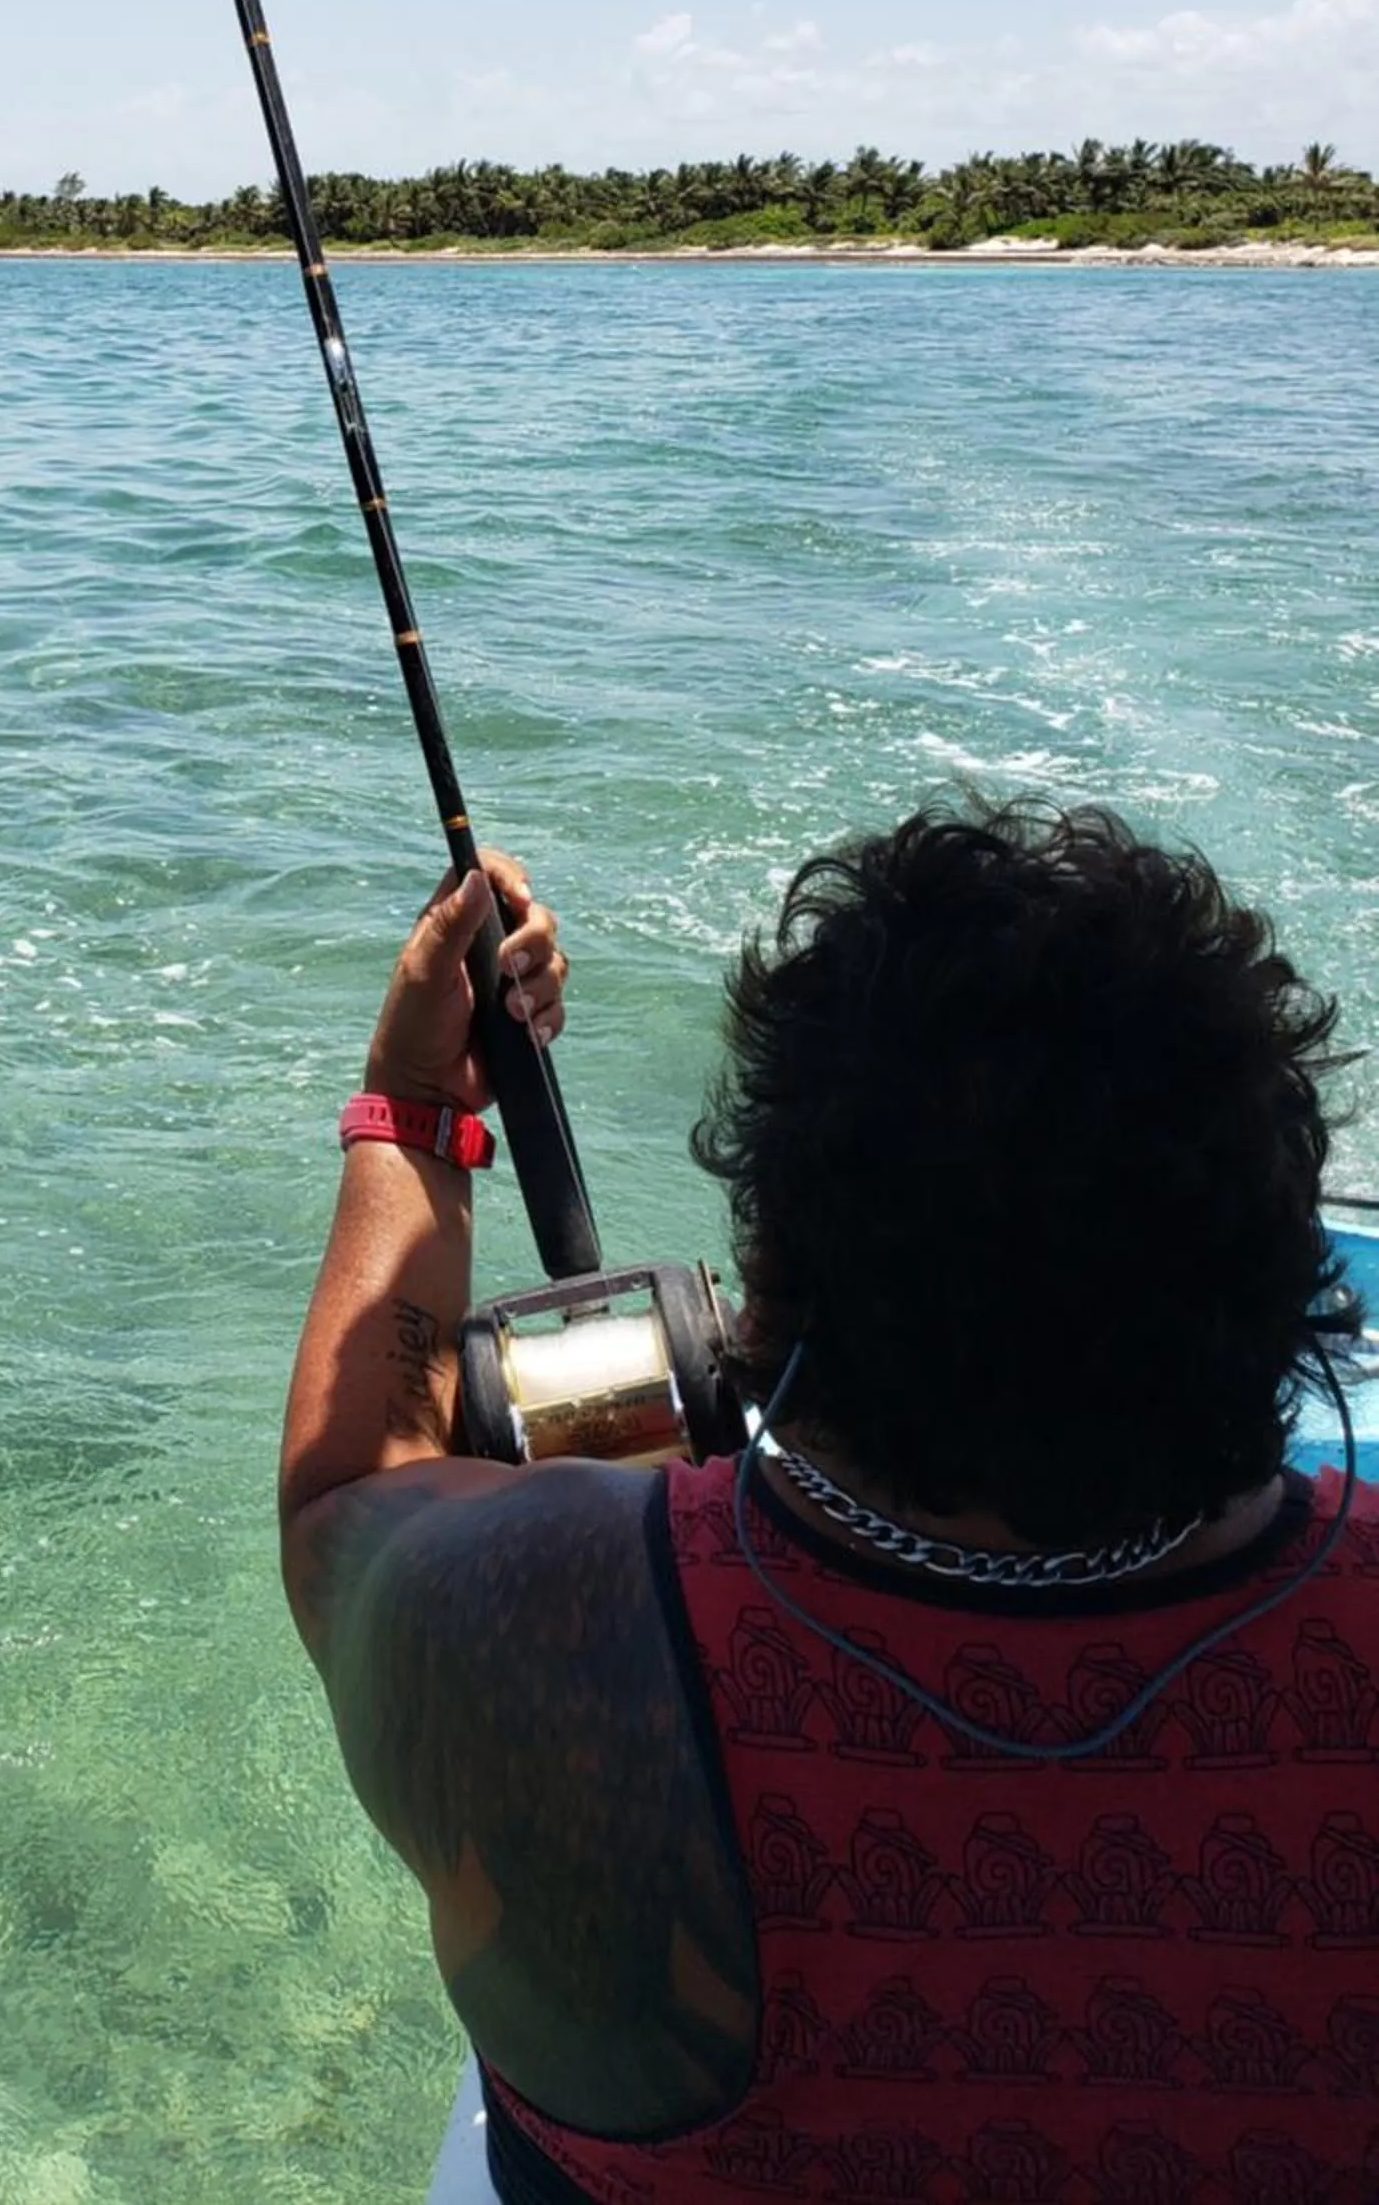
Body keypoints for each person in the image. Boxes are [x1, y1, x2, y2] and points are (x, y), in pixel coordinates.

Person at [279, 800, 1379, 2201]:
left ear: (777, 1267)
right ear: (1274, 1270)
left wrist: (416, 1109)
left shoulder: (541, 1624)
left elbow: (344, 1509)